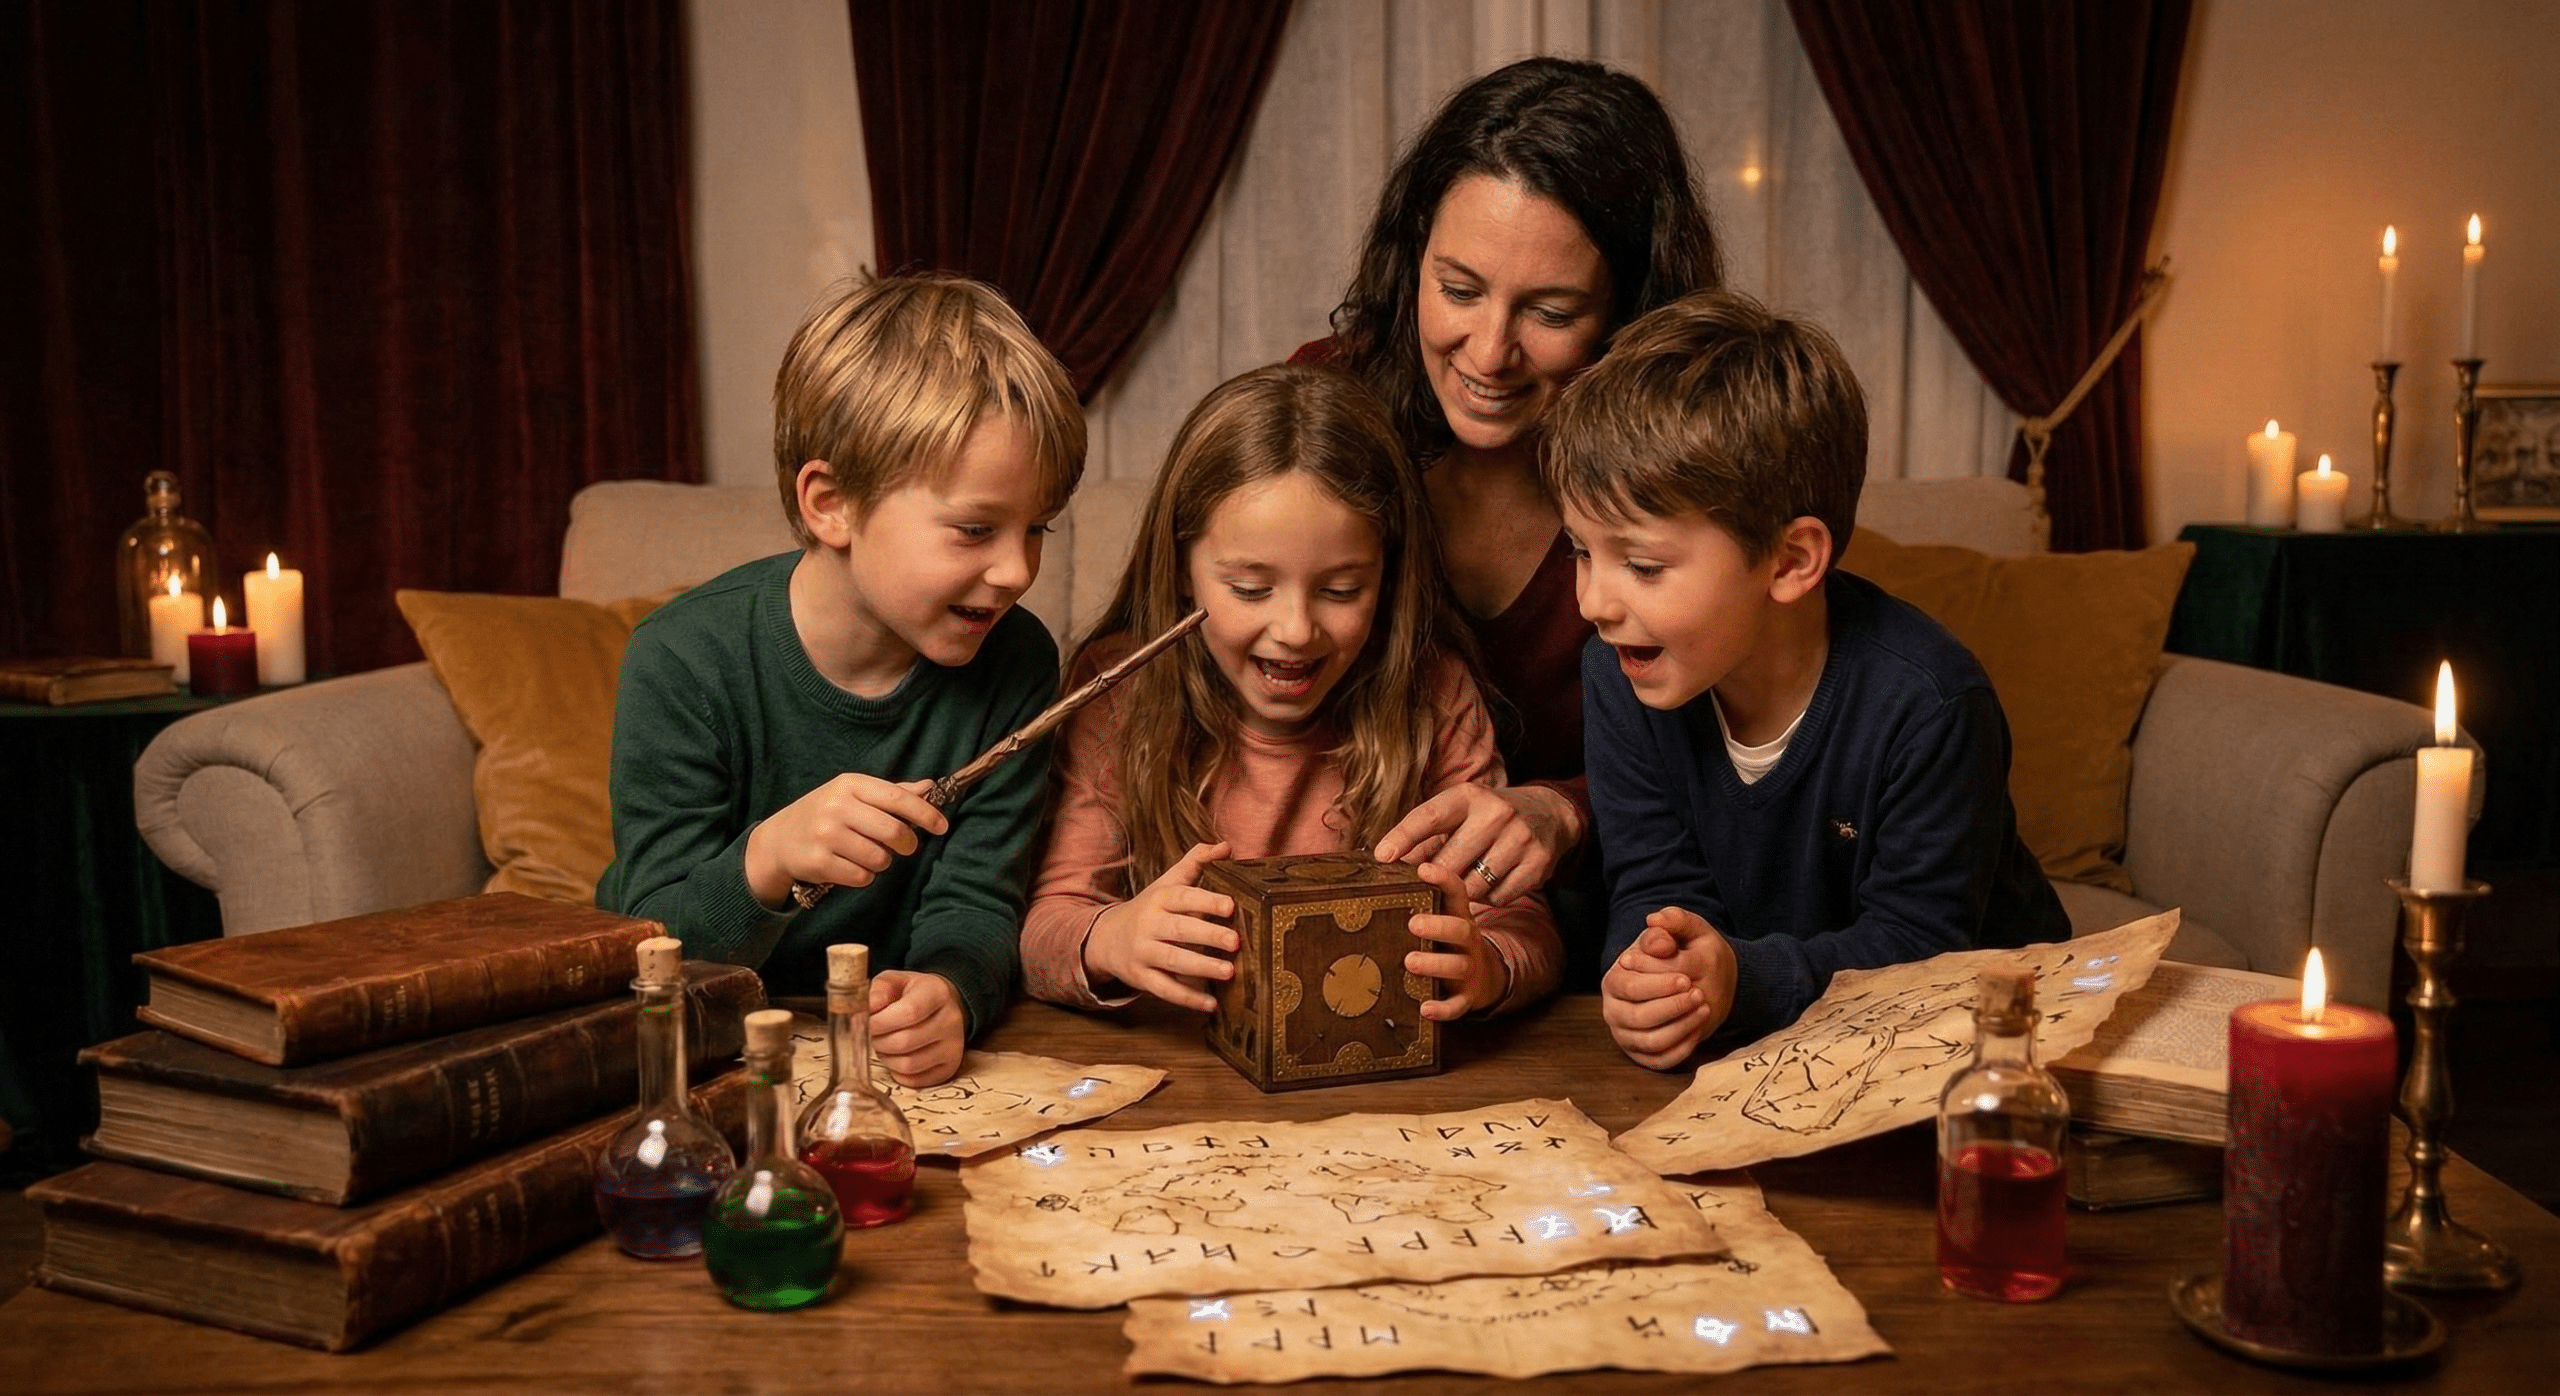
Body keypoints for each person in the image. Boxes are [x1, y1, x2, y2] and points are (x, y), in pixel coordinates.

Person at [1544, 290, 2069, 1070]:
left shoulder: (1930, 706)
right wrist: (1650, 975)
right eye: (1581, 550)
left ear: (1791, 562)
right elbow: (1654, 884)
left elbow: (1922, 947)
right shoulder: (1620, 674)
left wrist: (1740, 978)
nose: (1592, 602)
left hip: (1979, 1053)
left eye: (1643, 566)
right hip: (1774, 1053)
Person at [597, 275, 1084, 1087]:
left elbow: (978, 901)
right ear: (831, 504)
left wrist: (949, 991)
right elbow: (651, 944)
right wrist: (770, 857)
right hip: (700, 1062)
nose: (1016, 570)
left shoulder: (1017, 662)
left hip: (880, 1079)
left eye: (1036, 528)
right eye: (975, 529)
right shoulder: (682, 661)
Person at [1303, 57, 1721, 982]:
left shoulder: (1686, 460)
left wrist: (1566, 810)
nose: (1488, 353)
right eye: (1457, 290)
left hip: (1609, 943)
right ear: (1414, 257)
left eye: (1550, 310)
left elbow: (1750, 743)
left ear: (1627, 311)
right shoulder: (1323, 414)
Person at [1020, 364, 1560, 1019]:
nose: (1297, 631)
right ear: (1182, 569)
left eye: (1341, 590)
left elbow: (1518, 919)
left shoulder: (1433, 693)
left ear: (1387, 577)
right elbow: (1047, 927)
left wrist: (1490, 966)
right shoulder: (1122, 690)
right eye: (1250, 589)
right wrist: (1114, 937)